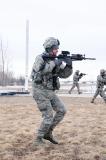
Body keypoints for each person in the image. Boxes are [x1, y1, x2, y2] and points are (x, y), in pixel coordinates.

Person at [31, 37, 72, 147]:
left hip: (50, 91)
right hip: (39, 90)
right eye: (55, 48)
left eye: (57, 48)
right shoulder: (40, 58)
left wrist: (68, 65)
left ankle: (48, 133)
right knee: (48, 115)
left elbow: (63, 75)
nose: (57, 50)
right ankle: (38, 139)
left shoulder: (55, 59)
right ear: (49, 48)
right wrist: (56, 62)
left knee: (62, 110)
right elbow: (42, 70)